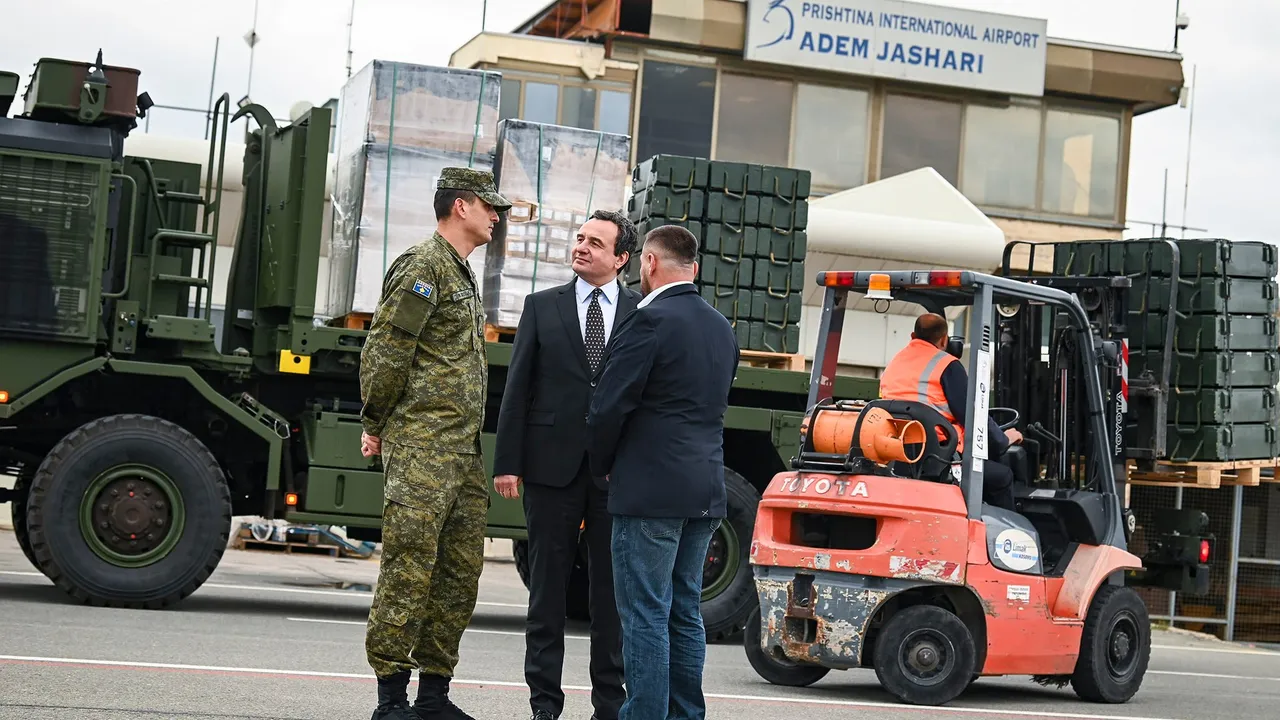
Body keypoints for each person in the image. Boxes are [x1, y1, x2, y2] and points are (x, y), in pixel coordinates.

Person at [358, 167, 512, 720]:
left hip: (461, 451)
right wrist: (375, 420)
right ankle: (391, 699)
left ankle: (433, 695)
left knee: (457, 571)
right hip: (423, 446)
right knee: (409, 566)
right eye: (490, 207)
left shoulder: (459, 272)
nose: (496, 217)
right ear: (462, 206)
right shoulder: (424, 267)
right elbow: (387, 350)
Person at [585, 224, 739, 720]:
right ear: (692, 265)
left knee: (645, 613)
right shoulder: (720, 327)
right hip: (704, 488)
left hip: (650, 490)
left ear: (648, 263)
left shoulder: (648, 321)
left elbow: (608, 407)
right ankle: (685, 714)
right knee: (684, 611)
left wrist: (602, 466)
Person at [492, 209, 641, 720]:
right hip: (549, 468)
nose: (581, 247)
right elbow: (518, 389)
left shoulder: (640, 312)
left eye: (595, 243)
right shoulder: (542, 307)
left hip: (613, 472)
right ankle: (544, 705)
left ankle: (608, 705)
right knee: (547, 593)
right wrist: (507, 462)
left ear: (621, 258)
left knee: (609, 598)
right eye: (579, 238)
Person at [879, 312, 1023, 511]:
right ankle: (1009, 536)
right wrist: (1002, 440)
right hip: (937, 457)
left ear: (913, 336)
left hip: (896, 451)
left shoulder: (894, 363)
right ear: (944, 339)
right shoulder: (946, 364)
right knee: (1002, 476)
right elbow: (971, 415)